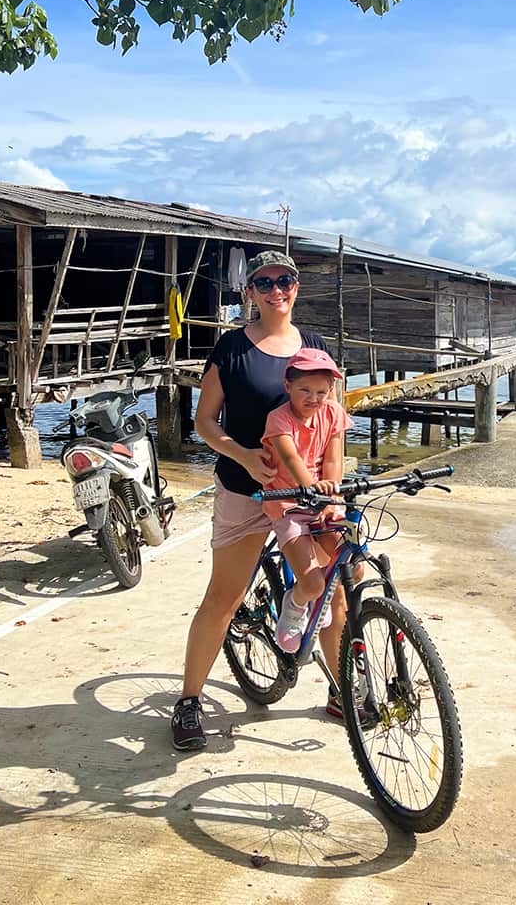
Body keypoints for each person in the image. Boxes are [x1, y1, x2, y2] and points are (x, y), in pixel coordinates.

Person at [171, 250, 339, 750]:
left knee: (333, 587)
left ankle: (343, 688)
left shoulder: (316, 347)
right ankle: (189, 701)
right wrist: (241, 455)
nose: (274, 290)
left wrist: (332, 486)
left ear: (296, 287)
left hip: (304, 494)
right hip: (245, 490)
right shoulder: (231, 348)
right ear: (250, 292)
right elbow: (204, 422)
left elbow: (335, 425)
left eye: (284, 280)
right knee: (225, 596)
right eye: (263, 283)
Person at [260, 348, 352, 658]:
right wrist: (311, 489)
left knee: (354, 562)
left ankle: (320, 603)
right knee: (312, 584)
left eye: (322, 392)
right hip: (289, 504)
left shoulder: (333, 413)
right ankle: (295, 603)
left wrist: (331, 497)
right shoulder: (278, 419)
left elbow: (333, 459)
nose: (314, 398)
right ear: (288, 386)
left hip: (324, 498)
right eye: (305, 390)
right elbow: (290, 457)